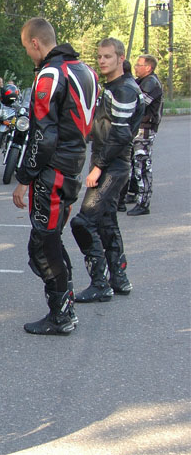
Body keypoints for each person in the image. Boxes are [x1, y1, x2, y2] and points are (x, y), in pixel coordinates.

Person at [12, 17, 98, 336]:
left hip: (54, 170)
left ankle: (61, 315)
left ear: (36, 43)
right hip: (72, 165)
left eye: (26, 47)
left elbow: (43, 135)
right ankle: (65, 307)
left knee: (43, 244)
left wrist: (24, 178)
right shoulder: (85, 70)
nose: (28, 54)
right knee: (51, 239)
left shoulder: (51, 73)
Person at [70, 38, 143, 302]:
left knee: (83, 222)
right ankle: (119, 279)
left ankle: (100, 284)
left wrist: (98, 168)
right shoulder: (114, 86)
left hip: (113, 165)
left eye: (108, 56)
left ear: (121, 58)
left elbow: (121, 135)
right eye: (100, 56)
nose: (102, 60)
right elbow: (104, 127)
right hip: (109, 162)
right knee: (106, 220)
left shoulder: (124, 89)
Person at [125, 54, 163, 216]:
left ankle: (143, 203)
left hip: (145, 129)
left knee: (142, 165)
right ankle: (133, 193)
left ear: (148, 67)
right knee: (134, 163)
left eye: (139, 65)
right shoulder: (141, 81)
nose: (135, 67)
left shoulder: (151, 83)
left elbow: (138, 103)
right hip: (138, 128)